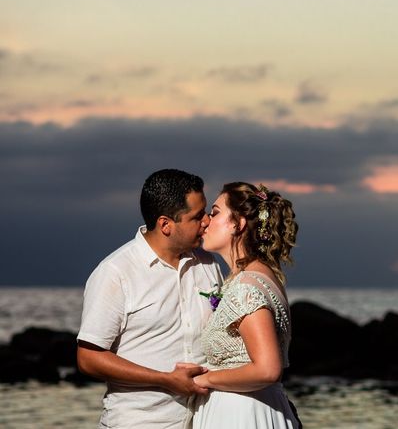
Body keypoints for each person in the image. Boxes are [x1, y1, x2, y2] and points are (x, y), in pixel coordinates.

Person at [77, 169, 223, 429]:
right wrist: (164, 379)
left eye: (206, 213)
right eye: (197, 216)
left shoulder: (208, 264)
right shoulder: (116, 272)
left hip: (205, 421)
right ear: (166, 224)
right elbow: (88, 358)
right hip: (140, 422)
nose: (207, 222)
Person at [191, 182, 300, 429]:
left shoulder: (247, 287)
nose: (207, 221)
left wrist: (204, 379)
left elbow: (267, 369)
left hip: (242, 414)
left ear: (238, 224)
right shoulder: (260, 276)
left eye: (215, 212)